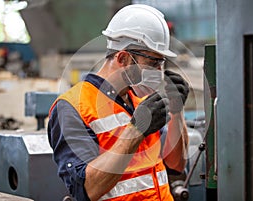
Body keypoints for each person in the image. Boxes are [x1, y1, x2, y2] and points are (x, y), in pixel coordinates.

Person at [48, 4, 189, 201]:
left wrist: (177, 111)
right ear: (123, 58)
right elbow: (87, 189)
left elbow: (176, 166)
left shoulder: (142, 99)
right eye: (153, 63)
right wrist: (136, 130)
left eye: (162, 63)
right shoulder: (72, 107)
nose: (159, 72)